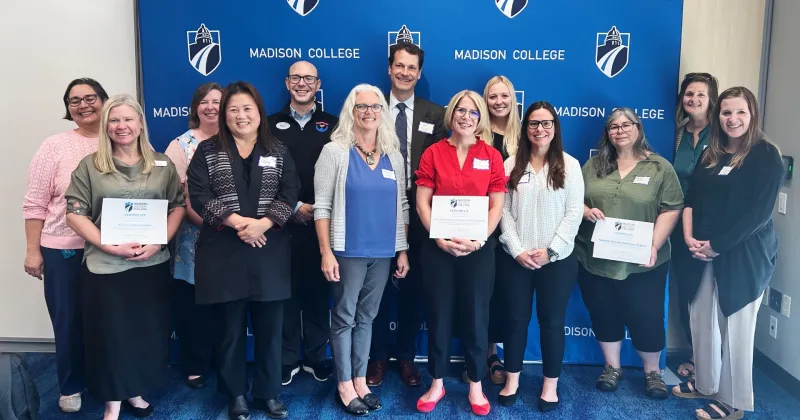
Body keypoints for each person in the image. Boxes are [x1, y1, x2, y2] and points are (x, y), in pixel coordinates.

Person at [64, 94, 185, 420]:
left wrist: (160, 241)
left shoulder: (161, 164)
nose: (122, 126)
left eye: (128, 119)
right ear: (106, 126)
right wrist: (107, 244)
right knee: (111, 335)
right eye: (114, 120)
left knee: (144, 332)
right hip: (106, 266)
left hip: (150, 265)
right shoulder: (90, 166)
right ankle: (112, 402)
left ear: (140, 123)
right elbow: (74, 213)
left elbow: (178, 206)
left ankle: (134, 391)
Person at [187, 81, 300, 420]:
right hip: (225, 253)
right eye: (233, 109)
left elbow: (291, 191)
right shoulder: (208, 151)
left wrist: (263, 224)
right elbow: (200, 196)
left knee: (270, 329)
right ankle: (235, 394)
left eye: (247, 108)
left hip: (270, 251)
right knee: (230, 330)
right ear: (224, 114)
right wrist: (239, 223)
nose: (241, 115)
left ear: (259, 112)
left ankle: (268, 393)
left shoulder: (277, 149)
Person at [672, 87, 783, 420]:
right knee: (701, 318)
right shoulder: (712, 153)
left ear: (752, 115)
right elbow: (691, 199)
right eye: (726, 113)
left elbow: (758, 214)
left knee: (735, 326)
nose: (732, 119)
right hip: (701, 250)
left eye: (740, 113)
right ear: (717, 116)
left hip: (743, 256)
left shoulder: (766, 155)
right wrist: (690, 237)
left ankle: (733, 401)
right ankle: (705, 384)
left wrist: (717, 245)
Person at [314, 84, 410, 416]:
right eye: (361, 107)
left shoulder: (393, 155)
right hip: (347, 250)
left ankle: (360, 380)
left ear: (382, 112)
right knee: (344, 317)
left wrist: (402, 250)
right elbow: (322, 207)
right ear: (350, 112)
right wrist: (326, 252)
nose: (368, 112)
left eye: (374, 106)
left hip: (382, 252)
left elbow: (403, 205)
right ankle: (343, 384)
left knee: (367, 318)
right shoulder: (335, 152)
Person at [574, 108, 683, 400]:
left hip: (643, 262)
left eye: (626, 125)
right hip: (596, 259)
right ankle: (612, 368)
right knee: (603, 314)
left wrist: (654, 245)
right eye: (613, 127)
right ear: (607, 133)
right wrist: (586, 211)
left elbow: (671, 208)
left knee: (646, 316)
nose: (620, 130)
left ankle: (652, 371)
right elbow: (573, 199)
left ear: (638, 128)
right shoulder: (593, 165)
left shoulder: (659, 167)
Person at [415, 90, 506, 416]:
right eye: (460, 111)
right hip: (438, 248)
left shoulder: (491, 155)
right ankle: (437, 383)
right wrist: (437, 236)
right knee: (439, 314)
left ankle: (476, 385)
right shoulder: (434, 152)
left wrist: (480, 238)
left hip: (478, 250)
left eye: (473, 112)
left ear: (481, 118)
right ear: (451, 115)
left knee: (476, 316)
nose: (466, 117)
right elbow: (422, 200)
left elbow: (497, 203)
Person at [22, 77, 108, 413]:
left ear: (104, 101)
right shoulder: (53, 146)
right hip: (62, 249)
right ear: (68, 109)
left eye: (90, 98)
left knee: (107, 320)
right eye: (74, 101)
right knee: (68, 319)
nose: (83, 105)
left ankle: (106, 381)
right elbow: (34, 203)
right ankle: (71, 385)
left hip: (110, 249)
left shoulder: (121, 139)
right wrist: (32, 250)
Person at [368, 41, 447, 388]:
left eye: (411, 68)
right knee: (376, 289)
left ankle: (405, 358)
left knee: (415, 289)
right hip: (375, 213)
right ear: (389, 68)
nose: (405, 72)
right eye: (399, 66)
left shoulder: (436, 114)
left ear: (419, 73)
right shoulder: (368, 109)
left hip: (422, 214)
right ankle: (377, 358)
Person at [496, 101, 584, 411]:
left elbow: (574, 213)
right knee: (516, 320)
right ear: (525, 128)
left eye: (546, 123)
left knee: (551, 322)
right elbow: (502, 211)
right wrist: (517, 249)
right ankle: (512, 380)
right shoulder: (510, 165)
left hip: (556, 261)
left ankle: (550, 386)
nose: (540, 129)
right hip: (516, 259)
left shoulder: (570, 166)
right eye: (534, 123)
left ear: (555, 128)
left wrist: (551, 251)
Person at [267, 61, 337, 385]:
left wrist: (318, 208)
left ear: (319, 84)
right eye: (296, 77)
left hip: (323, 222)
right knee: (285, 293)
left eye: (308, 78)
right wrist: (293, 206)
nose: (302, 83)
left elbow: (341, 174)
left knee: (318, 292)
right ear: (286, 83)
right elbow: (263, 175)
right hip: (280, 222)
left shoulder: (334, 124)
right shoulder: (268, 125)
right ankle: (288, 357)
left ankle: (316, 356)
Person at [163, 81, 223, 389]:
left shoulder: (237, 140)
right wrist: (211, 223)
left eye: (217, 101)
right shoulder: (180, 144)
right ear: (195, 107)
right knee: (193, 306)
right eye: (205, 101)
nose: (211, 106)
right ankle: (195, 363)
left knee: (226, 306)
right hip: (192, 238)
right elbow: (175, 196)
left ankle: (224, 360)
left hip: (231, 238)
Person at [671, 72, 719, 381]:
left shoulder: (721, 135)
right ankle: (693, 354)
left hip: (712, 223)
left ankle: (712, 361)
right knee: (686, 290)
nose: (694, 99)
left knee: (712, 296)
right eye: (689, 94)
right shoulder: (675, 134)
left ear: (711, 99)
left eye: (701, 94)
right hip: (677, 221)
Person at [475, 75, 522, 385]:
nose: (499, 101)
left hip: (516, 228)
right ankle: (485, 354)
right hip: (480, 226)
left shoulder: (524, 138)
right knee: (483, 296)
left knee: (507, 296)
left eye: (504, 96)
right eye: (492, 96)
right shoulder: (476, 136)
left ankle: (503, 354)